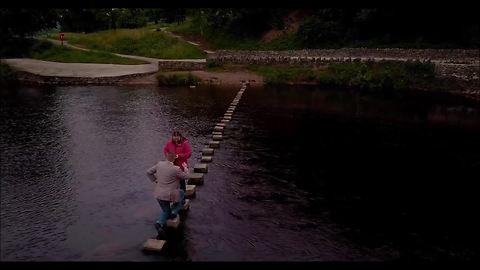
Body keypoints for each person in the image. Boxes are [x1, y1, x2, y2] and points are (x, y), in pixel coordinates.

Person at [147, 152, 189, 239]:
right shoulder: (176, 169)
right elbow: (186, 176)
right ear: (174, 159)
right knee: (181, 194)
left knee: (165, 211)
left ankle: (159, 224)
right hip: (170, 195)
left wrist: (155, 180)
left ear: (166, 157)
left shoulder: (159, 164)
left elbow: (148, 172)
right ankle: (174, 213)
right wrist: (185, 168)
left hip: (158, 195)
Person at [163, 131, 192, 196]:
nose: (176, 138)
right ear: (172, 137)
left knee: (181, 183)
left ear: (180, 137)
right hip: (172, 166)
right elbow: (165, 150)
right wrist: (169, 156)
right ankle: (174, 197)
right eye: (174, 136)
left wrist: (179, 156)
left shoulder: (185, 143)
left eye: (177, 136)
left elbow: (189, 154)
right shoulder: (169, 143)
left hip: (181, 166)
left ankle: (183, 198)